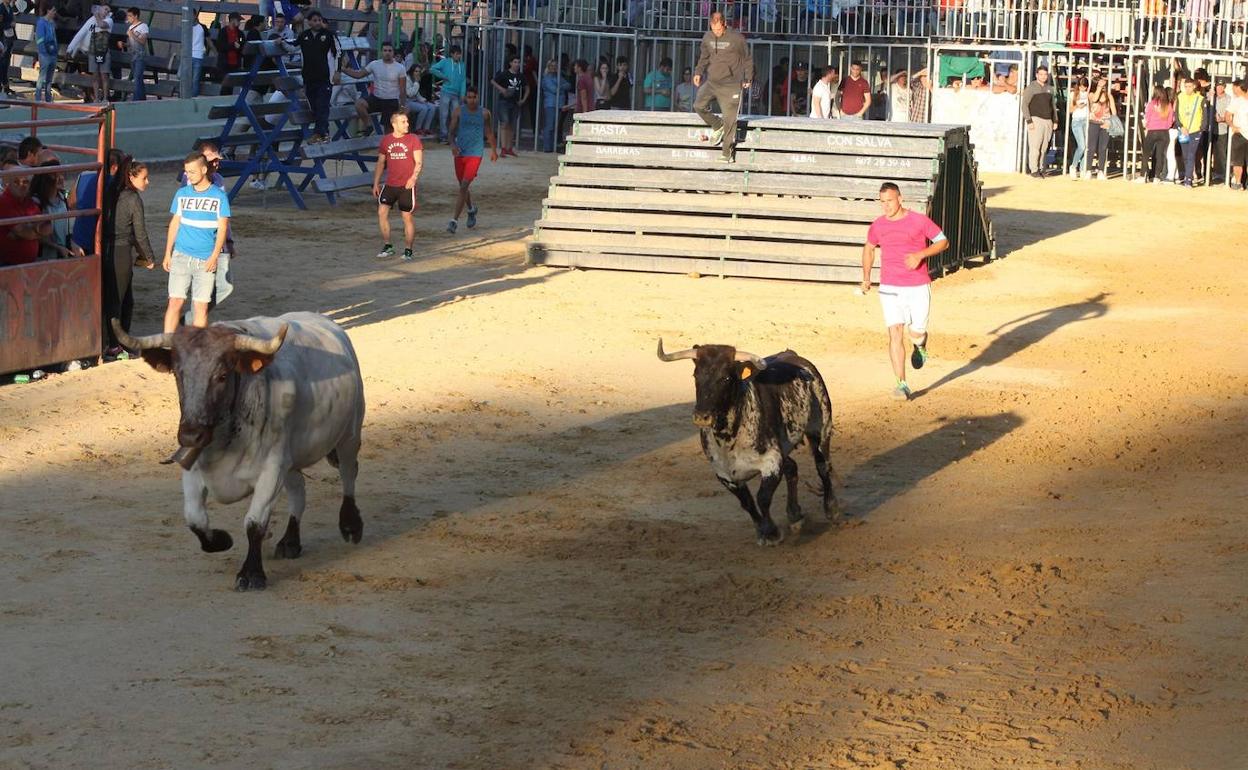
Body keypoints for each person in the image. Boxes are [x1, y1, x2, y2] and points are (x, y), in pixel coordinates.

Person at [860, 182, 950, 402]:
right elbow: (869, 248)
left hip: (918, 285)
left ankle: (920, 345)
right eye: (882, 202)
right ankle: (902, 383)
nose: (886, 206)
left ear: (900, 199)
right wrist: (866, 277)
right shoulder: (878, 225)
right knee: (895, 332)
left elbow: (943, 241)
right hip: (890, 287)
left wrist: (920, 255)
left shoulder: (918, 220)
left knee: (916, 332)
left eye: (889, 201)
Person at [163, 152, 230, 332]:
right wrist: (168, 253)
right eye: (186, 172)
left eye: (192, 172)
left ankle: (197, 349)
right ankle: (167, 347)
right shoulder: (182, 193)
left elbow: (223, 228)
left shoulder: (219, 196)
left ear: (203, 169)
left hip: (205, 259)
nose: (188, 176)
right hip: (181, 255)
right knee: (175, 301)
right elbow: (175, 223)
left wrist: (214, 256)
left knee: (200, 306)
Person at [103, 159, 155, 358]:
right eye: (144, 178)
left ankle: (117, 342)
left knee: (120, 299)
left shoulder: (112, 192)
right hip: (121, 251)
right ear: (131, 177)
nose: (147, 182)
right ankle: (116, 345)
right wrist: (148, 257)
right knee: (120, 301)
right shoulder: (133, 199)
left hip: (109, 249)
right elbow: (140, 233)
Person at [692, 11, 752, 163]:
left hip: (731, 84)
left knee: (730, 119)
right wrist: (698, 72)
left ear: (724, 24)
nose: (716, 32)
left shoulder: (736, 38)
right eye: (714, 29)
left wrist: (748, 77)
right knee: (698, 105)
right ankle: (717, 125)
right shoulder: (707, 37)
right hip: (712, 82)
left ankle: (726, 153)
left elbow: (747, 58)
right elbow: (704, 57)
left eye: (719, 29)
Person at [371, 111, 422, 262]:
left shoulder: (413, 139)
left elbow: (418, 162)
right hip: (390, 184)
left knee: (406, 216)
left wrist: (413, 178)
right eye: (403, 122)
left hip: (406, 185)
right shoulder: (386, 140)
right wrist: (376, 183)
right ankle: (388, 245)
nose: (407, 124)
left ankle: (408, 250)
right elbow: (381, 163)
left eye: (407, 121)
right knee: (381, 212)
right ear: (394, 124)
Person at [446, 85, 498, 235]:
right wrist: (453, 145)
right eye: (469, 97)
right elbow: (450, 132)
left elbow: (489, 132)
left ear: (478, 97)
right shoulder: (458, 112)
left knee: (463, 186)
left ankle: (454, 221)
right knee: (463, 186)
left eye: (474, 97)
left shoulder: (484, 113)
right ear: (465, 98)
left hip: (476, 153)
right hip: (460, 152)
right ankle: (471, 209)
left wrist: (494, 150)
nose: (471, 100)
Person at [340, 42, 406, 135]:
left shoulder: (400, 68)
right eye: (385, 50)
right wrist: (343, 69)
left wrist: (402, 105)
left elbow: (402, 89)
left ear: (393, 52)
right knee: (359, 104)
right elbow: (359, 75)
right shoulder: (374, 64)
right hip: (376, 98)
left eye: (390, 51)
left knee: (388, 130)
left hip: (391, 100)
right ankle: (369, 125)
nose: (387, 53)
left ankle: (387, 147)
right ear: (381, 52)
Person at [69, 147, 124, 255]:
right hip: (100, 241)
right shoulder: (114, 183)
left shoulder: (83, 175)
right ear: (115, 168)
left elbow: (71, 203)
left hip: (78, 238)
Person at [294, 10, 336, 143]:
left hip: (324, 78)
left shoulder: (329, 35)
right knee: (314, 107)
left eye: (319, 20)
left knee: (322, 105)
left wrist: (338, 72)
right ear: (309, 22)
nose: (317, 23)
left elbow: (338, 53)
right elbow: (293, 47)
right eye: (315, 20)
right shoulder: (304, 35)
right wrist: (280, 42)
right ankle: (325, 133)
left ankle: (319, 134)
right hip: (309, 78)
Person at [30, 159, 80, 261]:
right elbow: (36, 233)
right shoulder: (36, 201)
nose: (60, 178)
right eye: (55, 175)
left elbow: (68, 228)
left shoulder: (63, 197)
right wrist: (58, 247)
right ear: (45, 179)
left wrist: (73, 244)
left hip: (62, 253)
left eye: (61, 174)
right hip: (43, 257)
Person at [0, 165, 48, 267]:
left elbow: (47, 227)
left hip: (28, 265)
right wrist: (35, 231)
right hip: (9, 266)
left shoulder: (28, 201)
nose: (21, 185)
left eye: (25, 182)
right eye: (16, 182)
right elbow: (25, 232)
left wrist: (25, 232)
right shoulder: (4, 203)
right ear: (8, 184)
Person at [1020, 65, 1057, 177]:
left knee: (1044, 147)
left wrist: (1055, 120)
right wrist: (1029, 121)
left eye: (1045, 74)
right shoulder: (1031, 88)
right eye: (1041, 74)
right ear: (1036, 75)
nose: (1043, 76)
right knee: (1035, 146)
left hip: (1048, 121)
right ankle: (1034, 170)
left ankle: (1041, 168)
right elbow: (1024, 105)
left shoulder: (1050, 88)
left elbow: (1053, 106)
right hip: (1036, 119)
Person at [491, 55, 528, 158]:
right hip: (504, 101)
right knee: (505, 123)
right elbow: (493, 81)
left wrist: (523, 99)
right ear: (510, 63)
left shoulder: (521, 76)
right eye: (515, 62)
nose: (517, 64)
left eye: (518, 62)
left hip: (515, 102)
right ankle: (504, 148)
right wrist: (502, 89)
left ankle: (509, 148)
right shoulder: (504, 74)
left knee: (511, 125)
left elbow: (527, 87)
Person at [429, 44, 466, 143]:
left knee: (456, 115)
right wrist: (443, 76)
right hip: (446, 92)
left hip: (456, 94)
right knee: (444, 115)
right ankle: (443, 136)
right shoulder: (445, 62)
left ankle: (453, 135)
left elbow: (463, 80)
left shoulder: (462, 65)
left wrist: (463, 94)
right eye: (457, 54)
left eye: (459, 54)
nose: (459, 56)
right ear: (452, 54)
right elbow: (432, 69)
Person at [1175, 77, 1205, 187]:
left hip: (1195, 130)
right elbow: (1176, 114)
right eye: (1186, 86)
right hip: (1183, 130)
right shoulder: (1180, 97)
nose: (1187, 89)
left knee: (1191, 154)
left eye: (1189, 86)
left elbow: (1204, 115)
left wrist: (1201, 129)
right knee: (1186, 155)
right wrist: (1180, 126)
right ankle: (1189, 176)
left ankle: (1188, 179)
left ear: (1194, 87)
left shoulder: (1200, 98)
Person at [1141, 85, 1174, 183]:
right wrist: (1166, 126)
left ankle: (1143, 175)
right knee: (1160, 155)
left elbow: (1147, 117)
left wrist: (1148, 125)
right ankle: (1157, 176)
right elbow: (1171, 119)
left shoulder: (1152, 104)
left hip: (1152, 131)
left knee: (1146, 153)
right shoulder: (1168, 105)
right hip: (1164, 132)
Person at [1086, 78, 1117, 181]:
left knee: (1103, 148)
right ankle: (1088, 170)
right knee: (1091, 148)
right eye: (1100, 85)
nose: (1103, 87)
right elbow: (1094, 99)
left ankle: (1101, 170)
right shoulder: (1091, 94)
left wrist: (1110, 122)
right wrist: (1099, 88)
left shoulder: (1109, 96)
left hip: (1105, 124)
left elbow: (1114, 111)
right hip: (1093, 123)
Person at [539, 58, 570, 152]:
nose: (554, 68)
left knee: (556, 126)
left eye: (555, 66)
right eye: (551, 66)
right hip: (550, 104)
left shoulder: (559, 77)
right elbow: (554, 90)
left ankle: (552, 146)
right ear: (548, 67)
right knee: (550, 126)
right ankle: (547, 147)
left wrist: (559, 87)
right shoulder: (546, 78)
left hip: (560, 104)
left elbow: (569, 85)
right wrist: (561, 87)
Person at [33, 4, 57, 103]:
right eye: (53, 10)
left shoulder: (52, 23)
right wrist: (43, 51)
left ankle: (48, 98)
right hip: (45, 53)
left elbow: (54, 38)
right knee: (42, 77)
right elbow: (40, 39)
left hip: (52, 53)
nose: (54, 13)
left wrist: (55, 51)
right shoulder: (41, 23)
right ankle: (38, 98)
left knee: (49, 78)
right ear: (48, 10)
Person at [406, 63, 437, 137]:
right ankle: (418, 128)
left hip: (415, 100)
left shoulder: (416, 79)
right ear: (412, 71)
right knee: (424, 108)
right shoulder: (407, 79)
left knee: (432, 107)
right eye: (416, 71)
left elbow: (417, 94)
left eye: (419, 71)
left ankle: (426, 128)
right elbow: (410, 94)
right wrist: (416, 83)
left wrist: (424, 100)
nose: (417, 73)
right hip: (407, 102)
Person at [1227, 80, 1248, 190]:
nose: (1234, 90)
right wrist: (1232, 125)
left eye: (1235, 88)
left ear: (1240, 88)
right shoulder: (1237, 101)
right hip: (1239, 134)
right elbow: (1228, 115)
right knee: (1238, 161)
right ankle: (1238, 183)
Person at [215, 12, 243, 92]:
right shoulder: (223, 32)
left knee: (231, 86)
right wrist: (232, 45)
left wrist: (239, 46)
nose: (239, 23)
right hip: (225, 64)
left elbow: (242, 44)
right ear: (233, 20)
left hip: (235, 64)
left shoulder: (240, 33)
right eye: (238, 20)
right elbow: (220, 46)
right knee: (225, 86)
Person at [124, 6, 147, 101]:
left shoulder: (143, 26)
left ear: (136, 16)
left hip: (140, 55)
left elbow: (143, 41)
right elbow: (131, 44)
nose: (128, 18)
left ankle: (136, 99)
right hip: (132, 55)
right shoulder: (130, 27)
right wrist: (124, 44)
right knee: (138, 79)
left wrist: (132, 34)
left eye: (130, 16)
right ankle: (142, 98)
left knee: (137, 77)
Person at [1068, 77, 1090, 179]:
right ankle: (1073, 166)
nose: (1083, 88)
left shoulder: (1088, 94)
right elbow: (1070, 110)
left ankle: (1082, 169)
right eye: (1081, 86)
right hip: (1077, 121)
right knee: (1081, 146)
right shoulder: (1073, 94)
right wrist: (1078, 106)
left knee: (1085, 147)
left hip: (1086, 120)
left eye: (1084, 87)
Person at [0, 0, 15, 97]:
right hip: (4, 37)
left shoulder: (9, 7)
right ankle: (3, 85)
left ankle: (5, 85)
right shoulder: (1, 8)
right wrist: (10, 24)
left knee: (6, 61)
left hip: (9, 37)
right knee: (3, 62)